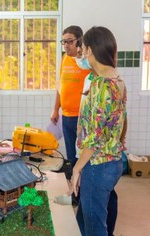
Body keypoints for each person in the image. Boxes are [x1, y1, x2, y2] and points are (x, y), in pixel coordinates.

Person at [71, 26, 127, 236]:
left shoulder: (101, 85)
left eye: (83, 48)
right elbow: (123, 120)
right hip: (113, 160)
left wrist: (77, 169)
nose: (82, 54)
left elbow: (94, 138)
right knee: (87, 221)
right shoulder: (117, 80)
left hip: (97, 165)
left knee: (94, 229)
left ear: (92, 50)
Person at [50, 25, 90, 168]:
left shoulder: (87, 62)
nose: (65, 45)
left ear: (79, 41)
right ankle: (75, 187)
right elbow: (60, 86)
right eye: (64, 42)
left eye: (69, 41)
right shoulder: (64, 59)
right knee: (71, 157)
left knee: (83, 157)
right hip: (66, 116)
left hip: (82, 117)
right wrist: (56, 110)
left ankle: (83, 188)